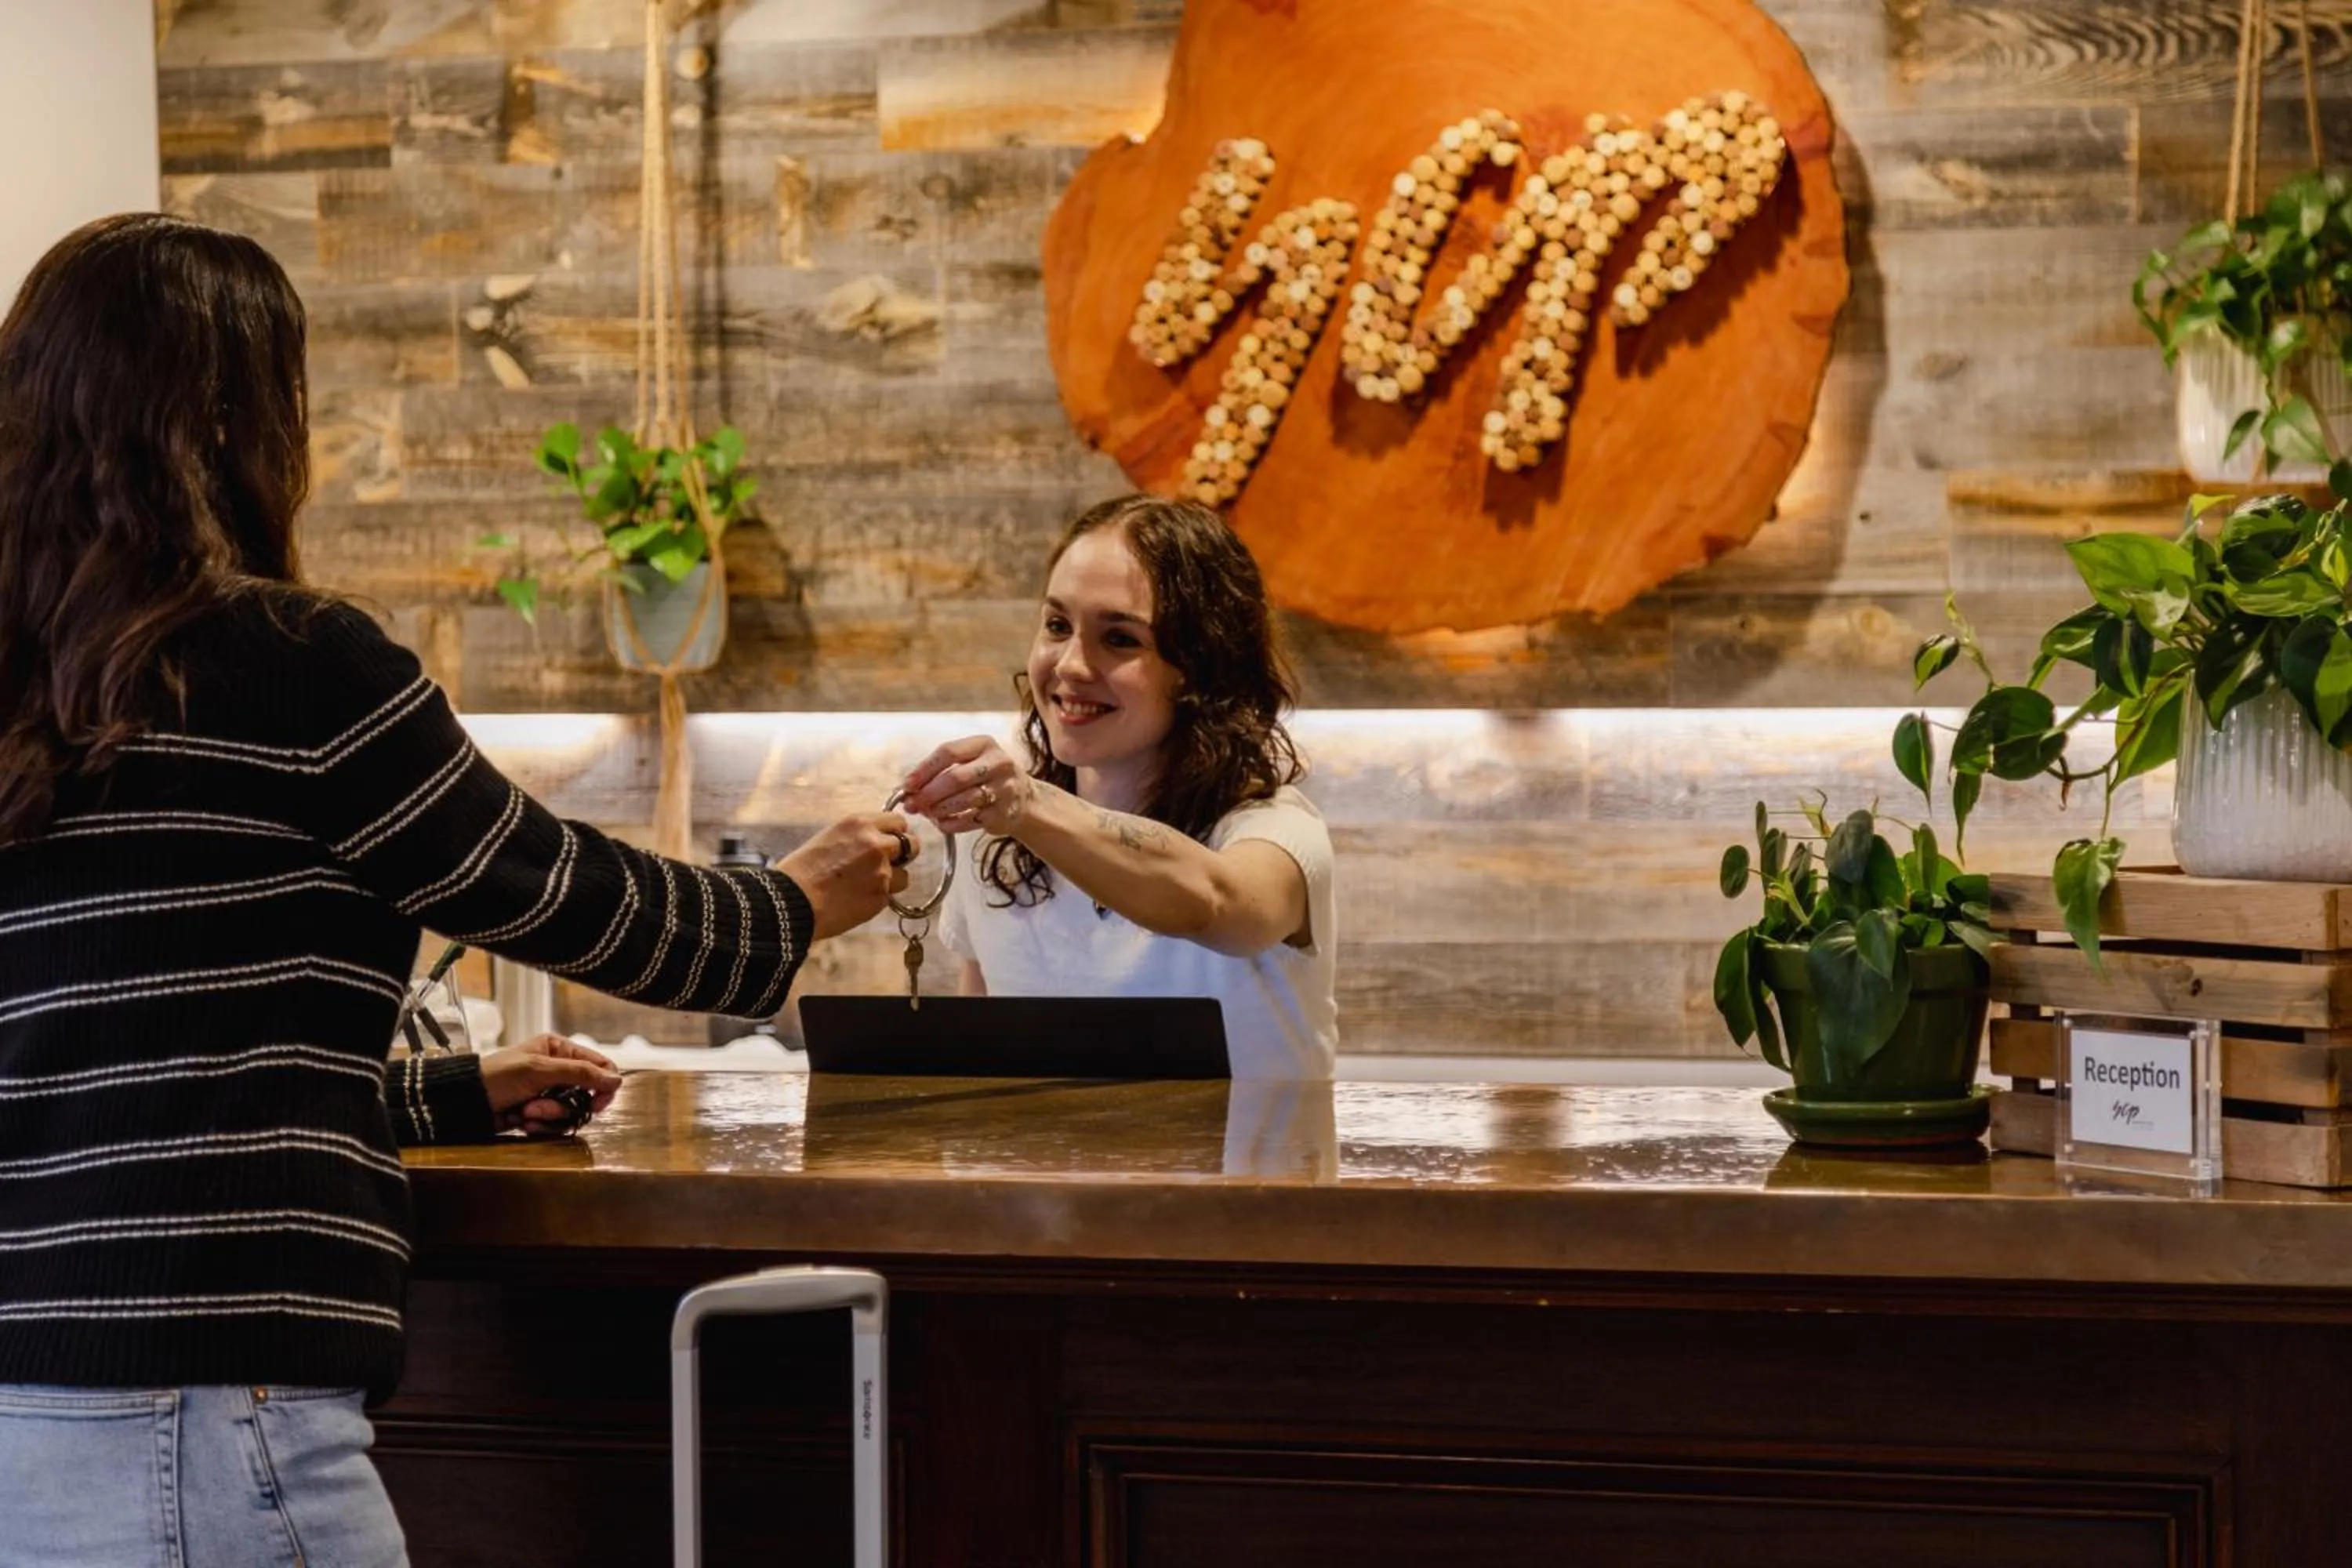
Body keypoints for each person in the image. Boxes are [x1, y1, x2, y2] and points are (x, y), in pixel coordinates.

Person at [0, 213, 910, 1565]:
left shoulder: (30, 691)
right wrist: (799, 901)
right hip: (204, 1417)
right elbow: (567, 897)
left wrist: (429, 1097)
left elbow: (88, 1073)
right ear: (243, 419)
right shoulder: (291, 664)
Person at [898, 493, 1338, 1079]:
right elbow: (982, 1073)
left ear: (1198, 669)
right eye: (1057, 625)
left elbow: (1219, 905)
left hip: (1255, 1175)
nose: (1073, 665)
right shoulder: (995, 846)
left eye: (1121, 639)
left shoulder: (1278, 832)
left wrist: (1028, 803)